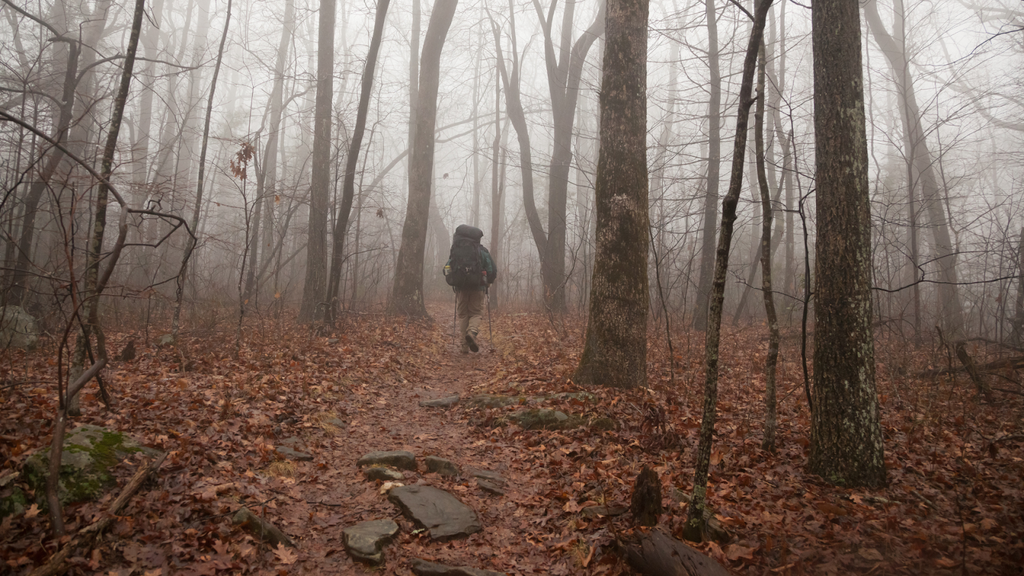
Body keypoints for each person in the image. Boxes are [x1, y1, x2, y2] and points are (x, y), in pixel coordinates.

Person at [443, 224, 497, 353]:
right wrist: (488, 281)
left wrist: (453, 277)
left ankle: (463, 346)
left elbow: (447, 268)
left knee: (463, 315)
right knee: (476, 313)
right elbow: (492, 270)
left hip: (461, 287)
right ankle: (472, 333)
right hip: (477, 286)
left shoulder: (456, 249)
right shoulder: (481, 251)